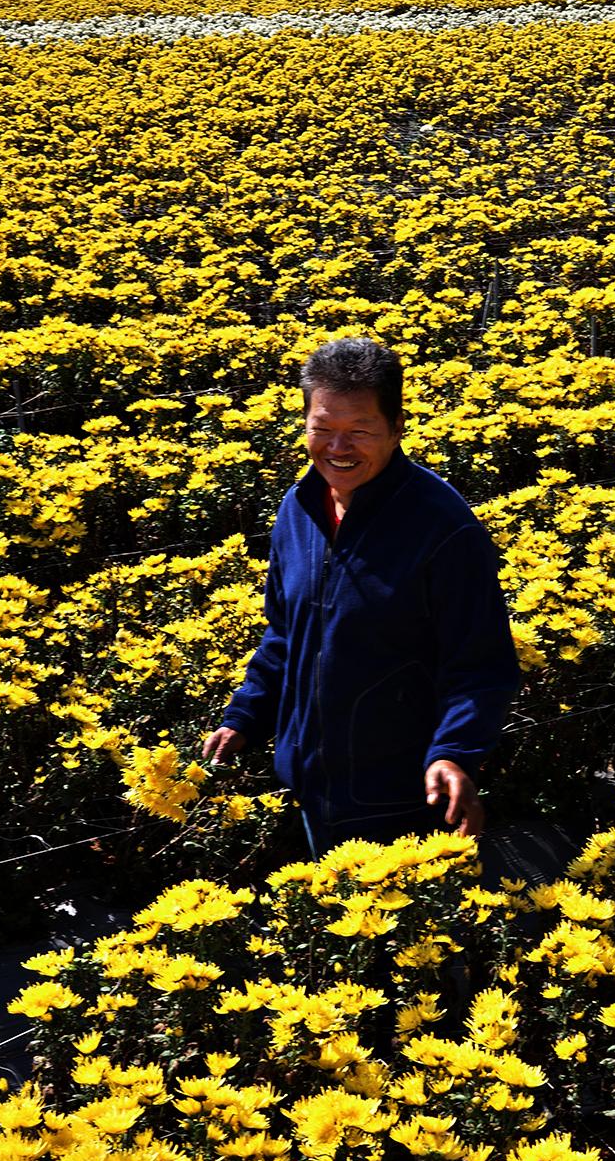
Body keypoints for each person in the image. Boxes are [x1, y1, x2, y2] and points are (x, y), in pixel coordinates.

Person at [204, 338, 521, 856]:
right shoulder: (299, 507)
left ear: (397, 429)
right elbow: (286, 631)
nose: (337, 448)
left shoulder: (442, 528)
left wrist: (455, 753)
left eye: (360, 431)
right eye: (322, 430)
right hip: (307, 785)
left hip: (403, 796)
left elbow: (481, 664)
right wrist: (245, 715)